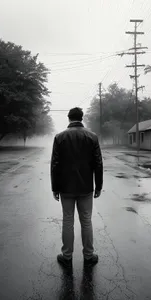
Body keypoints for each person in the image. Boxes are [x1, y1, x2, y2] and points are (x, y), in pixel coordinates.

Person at [50, 107, 103, 269]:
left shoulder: (60, 137)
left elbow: (55, 165)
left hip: (66, 188)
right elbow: (98, 164)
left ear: (69, 118)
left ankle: (67, 256)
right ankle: (88, 256)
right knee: (86, 221)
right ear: (82, 118)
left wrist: (55, 187)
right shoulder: (92, 137)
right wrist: (98, 186)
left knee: (68, 221)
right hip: (86, 187)